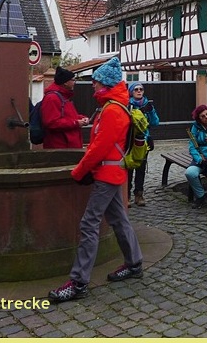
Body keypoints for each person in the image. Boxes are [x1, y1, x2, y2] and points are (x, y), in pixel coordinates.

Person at [48, 57, 143, 303]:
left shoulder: (112, 110)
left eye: (96, 81)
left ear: (106, 84)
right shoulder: (113, 107)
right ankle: (134, 263)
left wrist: (79, 171)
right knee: (119, 219)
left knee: (89, 224)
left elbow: (99, 148)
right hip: (111, 174)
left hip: (107, 176)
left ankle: (78, 282)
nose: (93, 84)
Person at [127, 82, 160, 207]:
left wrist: (151, 111)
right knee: (129, 169)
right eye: (136, 89)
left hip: (143, 141)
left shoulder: (147, 105)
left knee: (141, 169)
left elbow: (155, 122)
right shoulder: (127, 105)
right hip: (130, 141)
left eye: (141, 89)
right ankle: (126, 195)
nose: (139, 91)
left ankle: (139, 194)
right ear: (131, 92)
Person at [41, 66, 88, 149]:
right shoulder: (52, 98)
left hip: (68, 146)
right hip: (60, 147)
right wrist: (75, 123)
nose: (74, 82)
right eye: (73, 80)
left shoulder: (63, 97)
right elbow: (51, 123)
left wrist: (82, 118)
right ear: (65, 82)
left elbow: (68, 116)